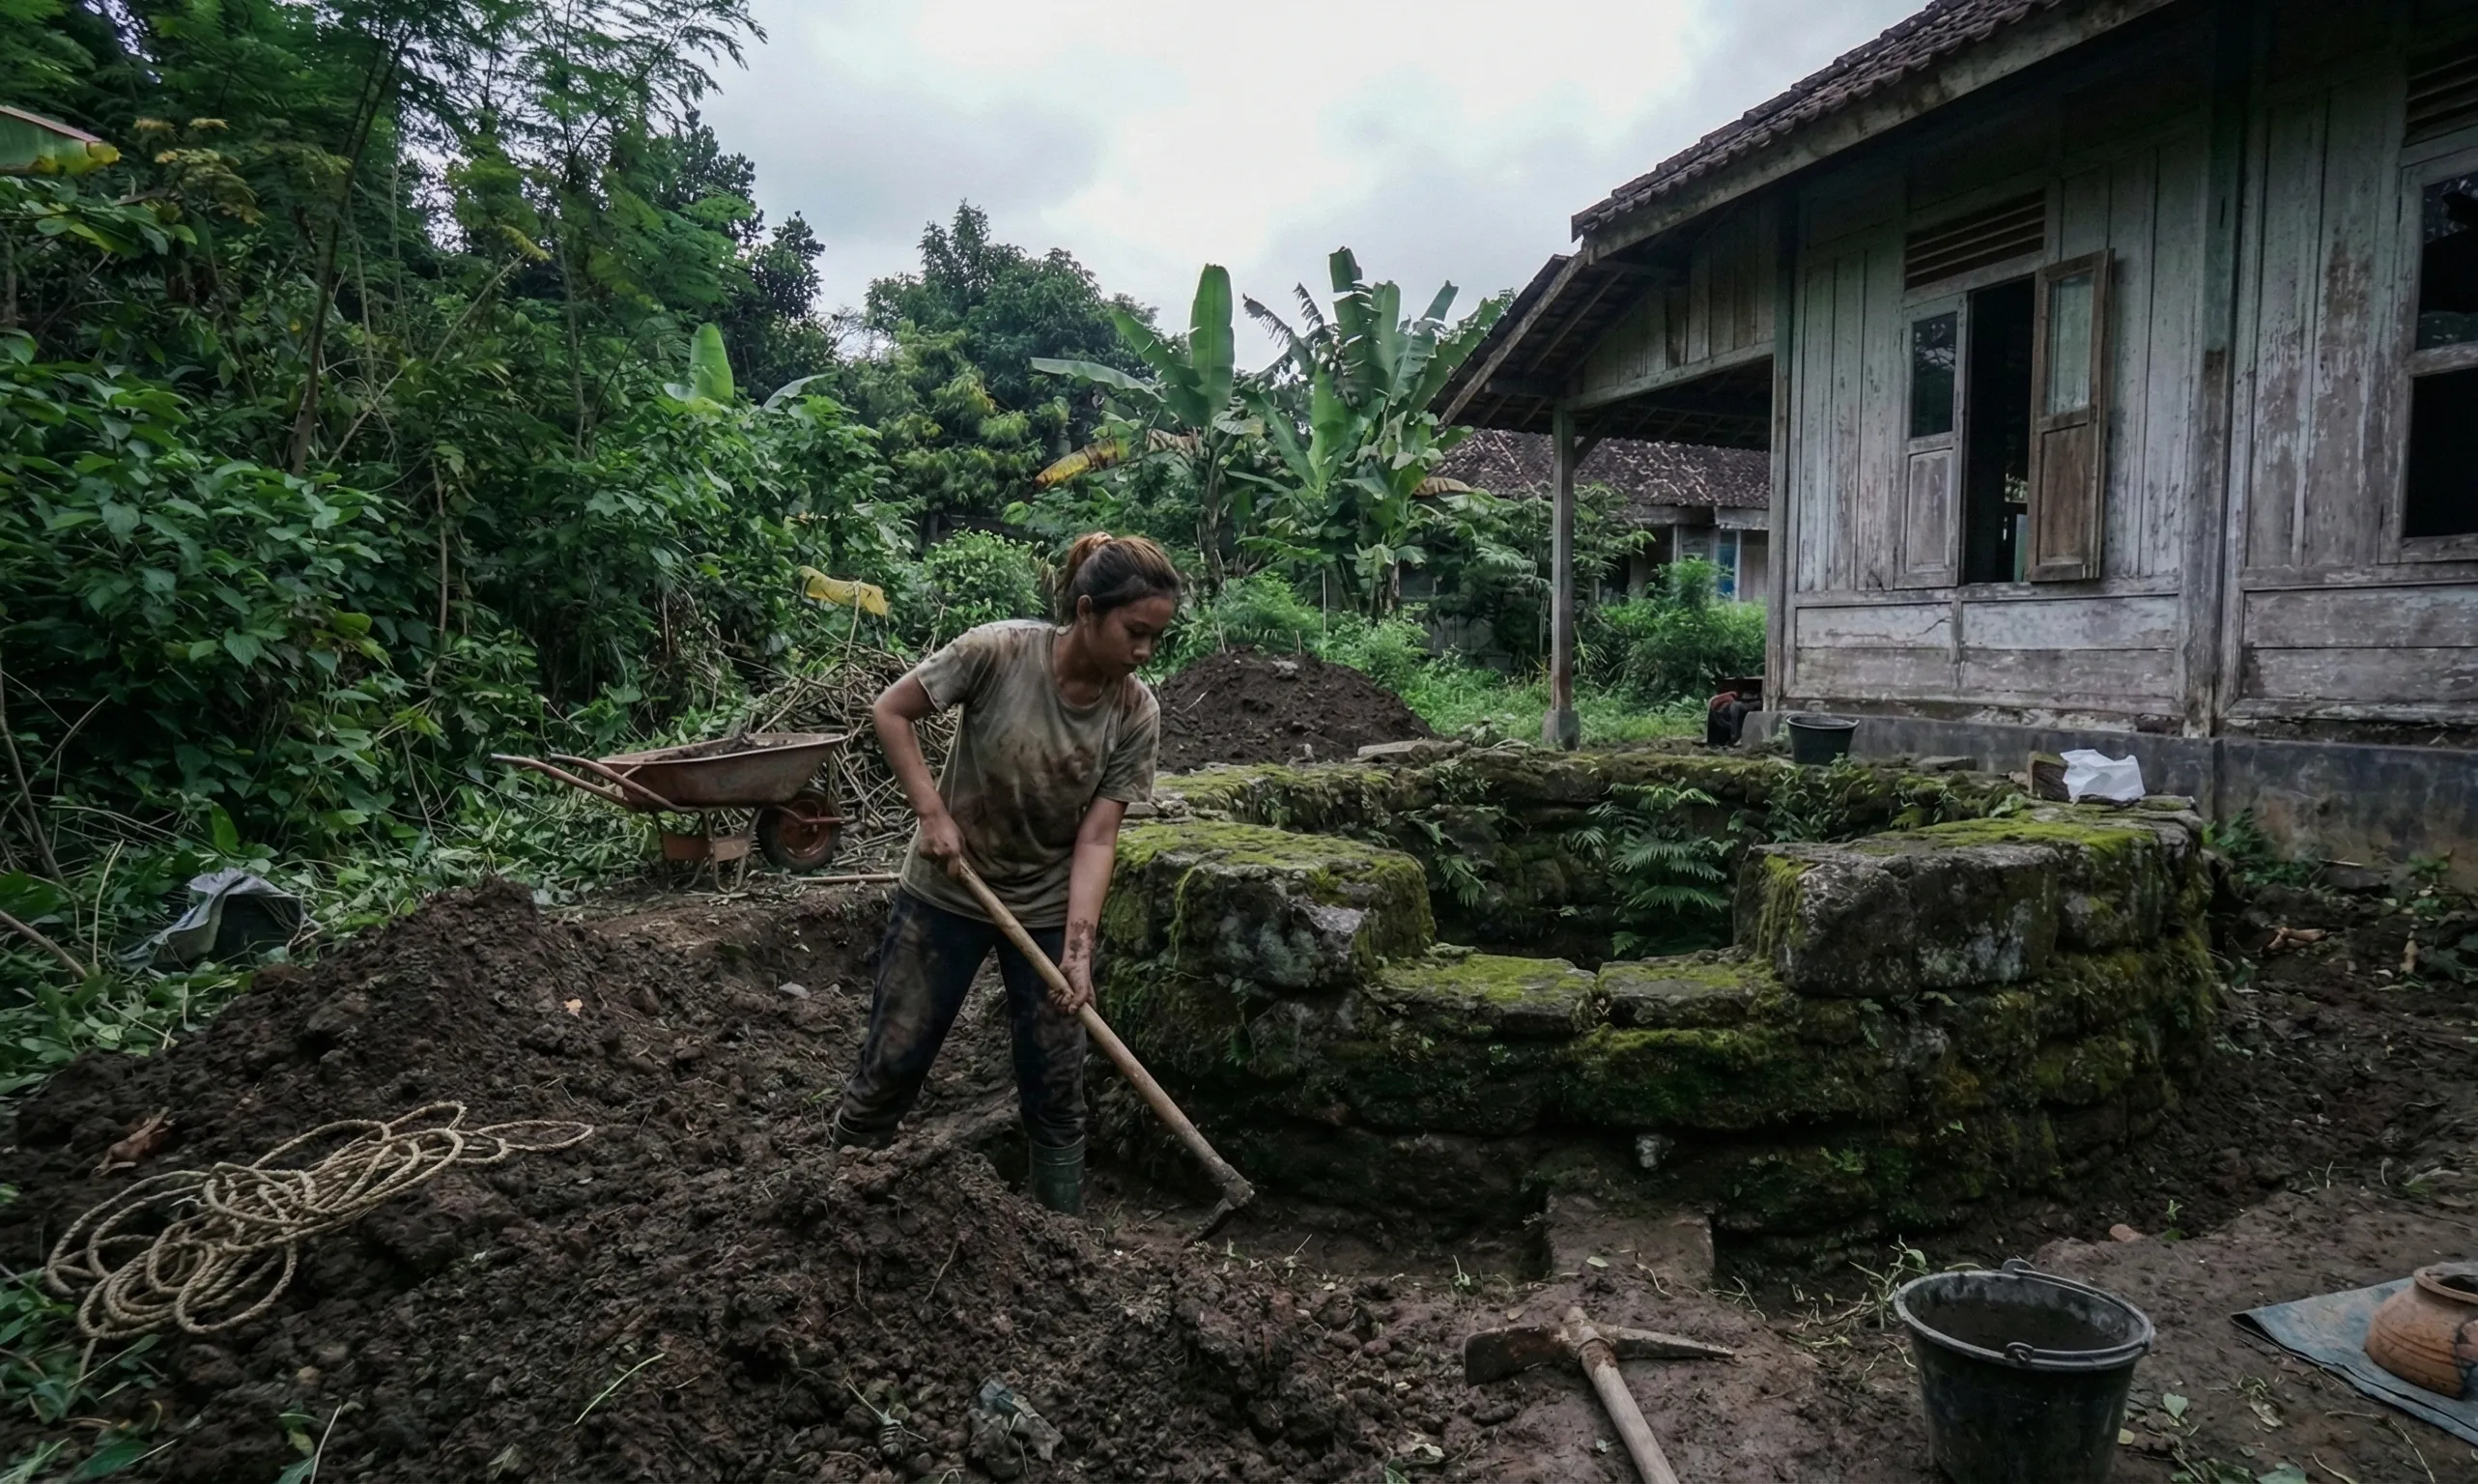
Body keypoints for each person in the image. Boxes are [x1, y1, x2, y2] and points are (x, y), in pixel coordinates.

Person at [827, 533, 1179, 1213]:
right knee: (896, 1055)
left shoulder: (1135, 711)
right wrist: (932, 815)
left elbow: (1097, 838)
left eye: (1154, 639)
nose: (1143, 653)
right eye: (1134, 633)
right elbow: (891, 711)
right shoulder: (998, 652)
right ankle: (837, 1193)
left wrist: (1077, 954)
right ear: (1086, 611)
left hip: (1047, 906)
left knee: (1055, 1078)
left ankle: (1061, 1237)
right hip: (947, 891)